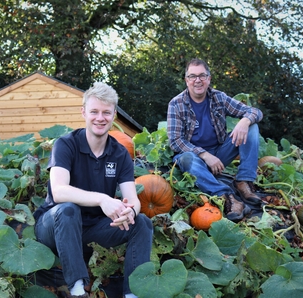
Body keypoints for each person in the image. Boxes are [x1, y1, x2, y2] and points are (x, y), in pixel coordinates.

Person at [34, 82, 153, 298]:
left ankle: (132, 294)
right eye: (94, 112)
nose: (100, 118)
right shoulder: (65, 144)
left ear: (114, 115)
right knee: (68, 209)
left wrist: (131, 212)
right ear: (83, 113)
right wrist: (102, 199)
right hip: (54, 227)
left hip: (92, 230)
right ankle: (78, 290)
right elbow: (59, 191)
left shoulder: (119, 154)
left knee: (142, 222)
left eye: (106, 112)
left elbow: (133, 200)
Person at [167, 58, 263, 222]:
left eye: (202, 75)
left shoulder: (219, 98)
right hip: (195, 159)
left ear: (209, 79)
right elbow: (175, 141)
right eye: (192, 76)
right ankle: (228, 196)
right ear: (186, 80)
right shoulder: (176, 104)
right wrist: (204, 154)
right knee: (187, 159)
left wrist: (245, 121)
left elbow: (255, 112)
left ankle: (244, 181)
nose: (198, 80)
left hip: (219, 155)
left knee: (252, 127)